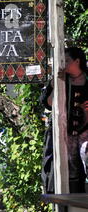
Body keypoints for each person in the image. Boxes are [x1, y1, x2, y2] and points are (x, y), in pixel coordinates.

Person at [40, 47, 88, 193]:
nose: (64, 64)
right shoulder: (60, 80)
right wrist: (56, 85)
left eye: (67, 60)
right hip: (65, 131)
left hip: (86, 130)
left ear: (77, 61)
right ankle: (71, 205)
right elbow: (47, 104)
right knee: (70, 167)